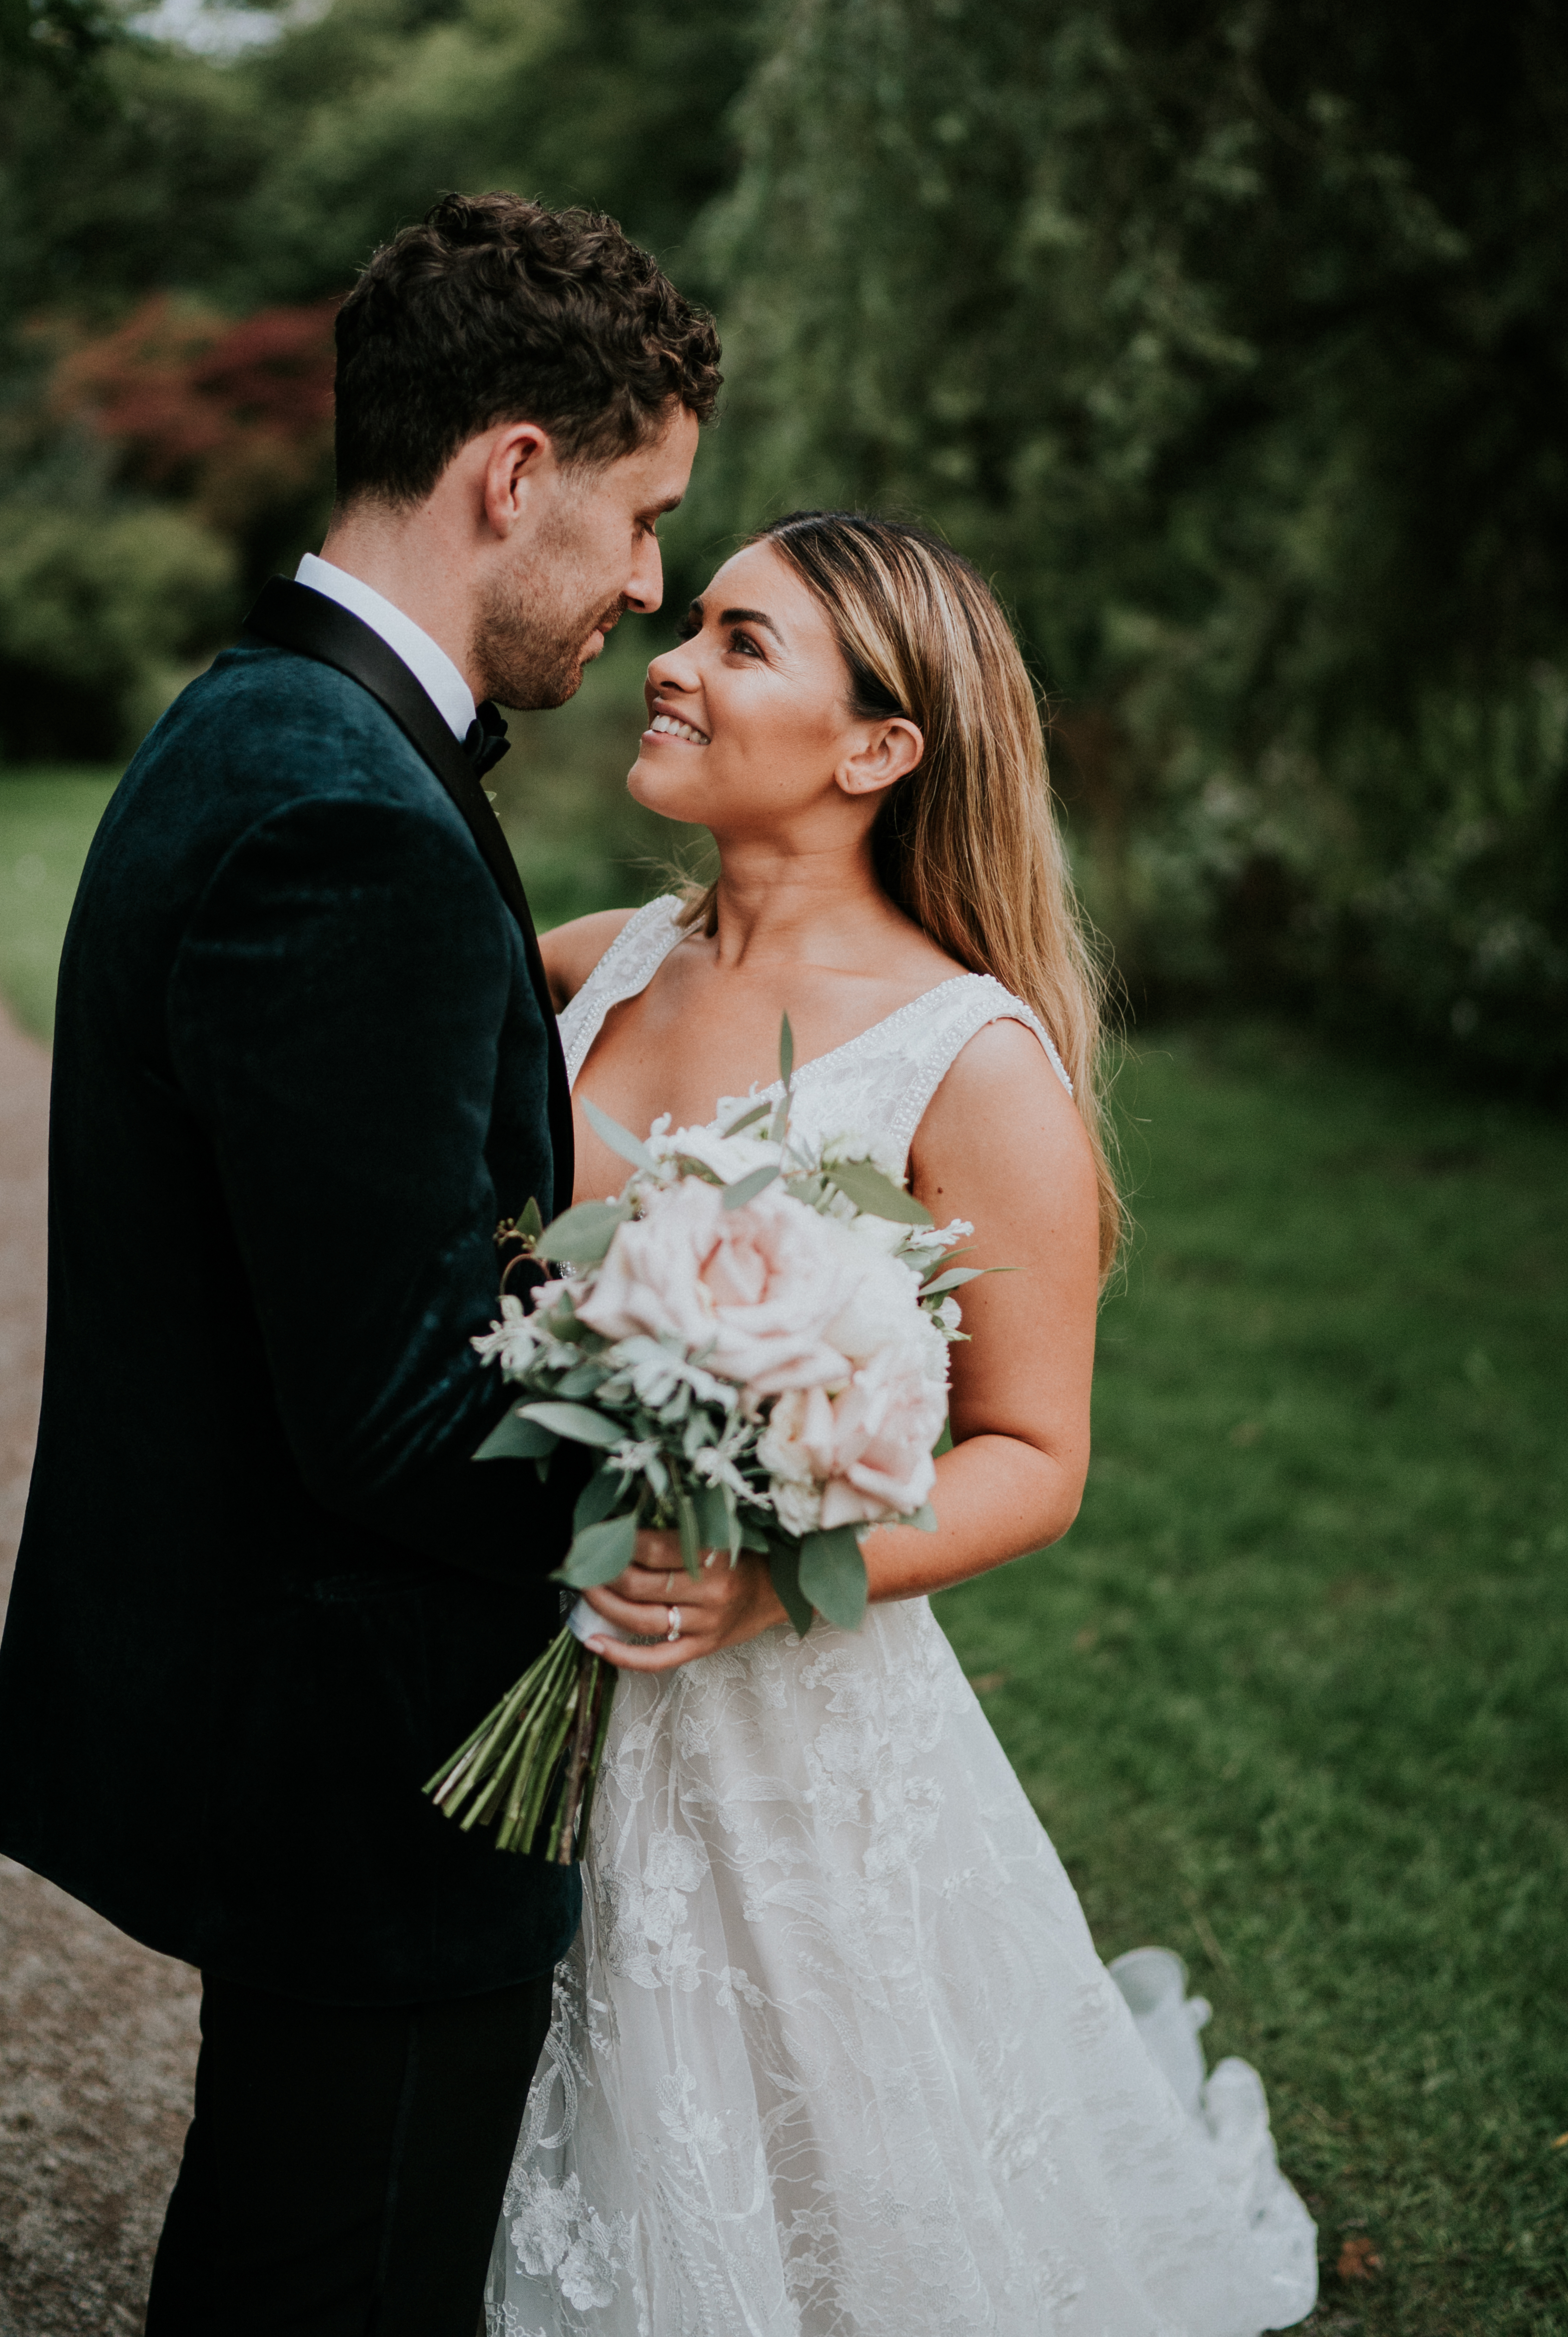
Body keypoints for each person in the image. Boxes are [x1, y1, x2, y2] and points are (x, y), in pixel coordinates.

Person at [0, 192, 720, 2334]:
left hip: (289, 1732)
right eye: (642, 510)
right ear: (511, 476)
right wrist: (714, 1448)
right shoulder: (344, 817)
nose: (652, 576)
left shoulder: (266, 729)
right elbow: (397, 1409)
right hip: (365, 1764)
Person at [488, 512, 1319, 2335]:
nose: (672, 661)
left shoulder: (968, 1061)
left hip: (779, 1714)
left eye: (740, 640)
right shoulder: (600, 962)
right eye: (684, 622)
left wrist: (782, 1580)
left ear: (876, 749)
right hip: (531, 1663)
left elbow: (1032, 1460)